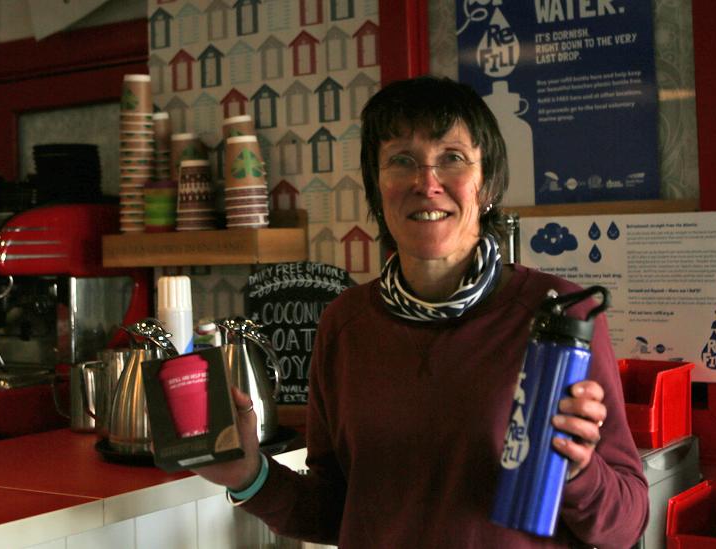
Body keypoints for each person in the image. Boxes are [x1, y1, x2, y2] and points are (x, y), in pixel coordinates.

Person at [195, 75, 649, 548]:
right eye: (401, 161)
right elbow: (337, 510)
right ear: (377, 186)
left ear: (486, 183)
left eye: (452, 158)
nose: (426, 183)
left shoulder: (556, 319)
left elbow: (626, 525)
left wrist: (579, 472)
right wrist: (250, 476)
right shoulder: (345, 324)